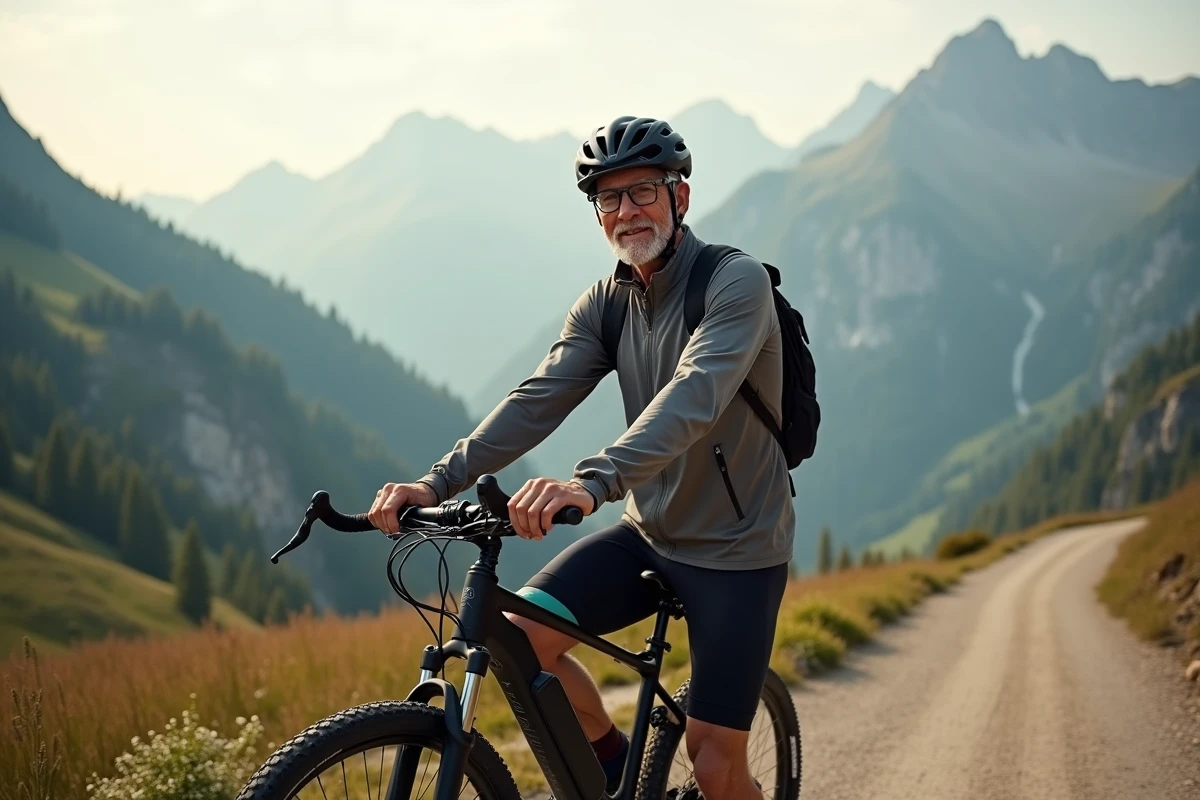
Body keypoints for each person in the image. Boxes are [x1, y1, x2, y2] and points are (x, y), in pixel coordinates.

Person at [368, 115, 795, 800]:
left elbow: (696, 393)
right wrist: (437, 481)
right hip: (649, 531)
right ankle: (617, 772)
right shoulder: (607, 304)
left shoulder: (734, 281)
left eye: (643, 191)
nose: (626, 211)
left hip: (738, 549)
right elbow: (538, 398)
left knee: (715, 766)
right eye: (609, 198)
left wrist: (593, 482)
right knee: (518, 641)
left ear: (680, 197)